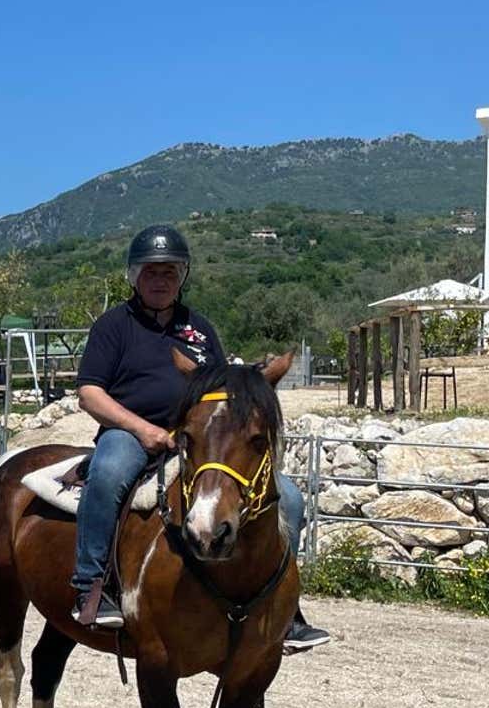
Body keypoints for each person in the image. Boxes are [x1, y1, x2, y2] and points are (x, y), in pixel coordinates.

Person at [70, 222, 331, 651]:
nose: (160, 280)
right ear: (134, 276)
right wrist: (144, 429)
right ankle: (92, 585)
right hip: (129, 432)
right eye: (151, 272)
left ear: (182, 277)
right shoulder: (112, 326)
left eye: (169, 272)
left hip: (200, 440)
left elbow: (226, 391)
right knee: (110, 471)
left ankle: (285, 610)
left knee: (290, 498)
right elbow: (89, 394)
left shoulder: (200, 329)